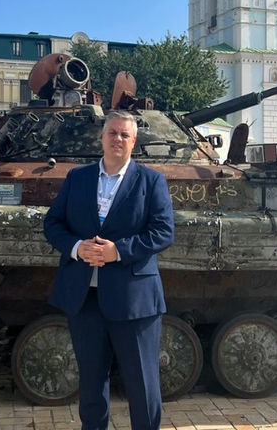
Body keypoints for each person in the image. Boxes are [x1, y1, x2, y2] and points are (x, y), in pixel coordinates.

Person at [44, 111, 174, 430]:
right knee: (90, 386)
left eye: (124, 135)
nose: (118, 139)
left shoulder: (150, 180)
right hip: (84, 298)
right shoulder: (78, 177)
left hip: (134, 300)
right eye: (112, 133)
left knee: (142, 386)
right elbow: (53, 223)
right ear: (102, 137)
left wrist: (118, 251)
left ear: (134, 142)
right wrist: (76, 248)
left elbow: (163, 231)